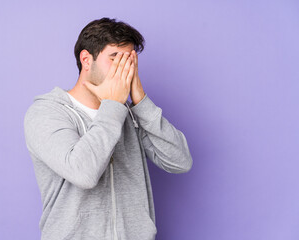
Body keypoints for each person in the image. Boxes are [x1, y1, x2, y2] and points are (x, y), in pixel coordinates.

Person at [23, 17, 193, 240]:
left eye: (130, 60)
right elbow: (83, 173)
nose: (124, 68)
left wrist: (140, 101)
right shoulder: (46, 113)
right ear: (86, 60)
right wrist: (112, 107)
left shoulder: (130, 114)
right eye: (115, 58)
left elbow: (179, 162)